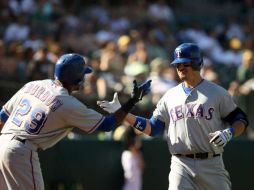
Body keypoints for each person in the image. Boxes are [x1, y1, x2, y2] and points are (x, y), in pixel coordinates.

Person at [97, 43, 249, 190]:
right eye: (177, 64)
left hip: (212, 163)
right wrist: (123, 113)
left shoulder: (217, 92)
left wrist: (229, 132)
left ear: (197, 63)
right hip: (180, 164)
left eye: (185, 63)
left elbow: (240, 120)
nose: (180, 67)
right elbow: (153, 128)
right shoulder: (170, 95)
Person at [0, 53, 151, 190]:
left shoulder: (33, 84)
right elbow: (107, 125)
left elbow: (2, 117)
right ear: (77, 78)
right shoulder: (67, 103)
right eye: (83, 74)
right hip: (20, 152)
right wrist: (132, 101)